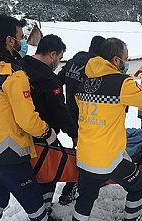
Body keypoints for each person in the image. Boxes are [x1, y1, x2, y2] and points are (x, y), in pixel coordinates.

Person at [72, 37, 142, 221]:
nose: (126, 63)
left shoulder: (84, 84)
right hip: (109, 158)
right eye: (126, 58)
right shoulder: (120, 83)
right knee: (139, 186)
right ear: (116, 60)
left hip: (85, 156)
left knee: (85, 197)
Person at [0, 14, 59, 221]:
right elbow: (27, 119)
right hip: (9, 152)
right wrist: (47, 133)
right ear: (10, 41)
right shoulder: (13, 75)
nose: (23, 41)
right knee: (35, 203)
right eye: (20, 36)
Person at [18, 34, 78, 210]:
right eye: (59, 58)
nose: (58, 62)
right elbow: (60, 111)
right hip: (45, 135)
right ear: (52, 54)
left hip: (20, 134)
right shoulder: (49, 81)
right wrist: (74, 134)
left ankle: (37, 206)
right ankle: (44, 209)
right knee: (49, 171)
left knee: (30, 175)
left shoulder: (20, 68)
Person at [57, 35, 105, 205]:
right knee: (84, 154)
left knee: (80, 150)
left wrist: (61, 102)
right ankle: (69, 189)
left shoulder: (74, 60)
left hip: (69, 113)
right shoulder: (95, 67)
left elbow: (57, 81)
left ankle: (73, 186)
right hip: (86, 118)